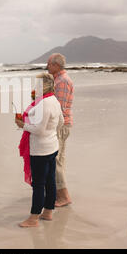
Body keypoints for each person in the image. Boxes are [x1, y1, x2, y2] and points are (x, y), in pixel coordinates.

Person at [15, 73, 64, 228]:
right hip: (52, 146)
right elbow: (61, 122)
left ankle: (33, 218)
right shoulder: (53, 100)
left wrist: (22, 125)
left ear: (43, 86)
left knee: (38, 184)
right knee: (49, 181)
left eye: (36, 84)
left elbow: (40, 130)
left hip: (41, 150)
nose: (34, 87)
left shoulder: (44, 104)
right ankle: (48, 212)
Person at [46, 53, 74, 207]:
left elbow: (59, 108)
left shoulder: (62, 81)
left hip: (60, 125)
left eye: (49, 64)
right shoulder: (58, 80)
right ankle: (59, 194)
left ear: (56, 65)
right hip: (60, 125)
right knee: (58, 160)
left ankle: (64, 196)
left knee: (55, 160)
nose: (47, 66)